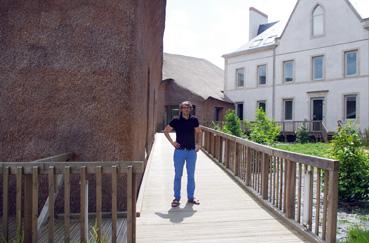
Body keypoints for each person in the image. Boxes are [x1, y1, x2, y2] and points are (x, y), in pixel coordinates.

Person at [164, 101, 202, 207]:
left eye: (188, 107)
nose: (186, 109)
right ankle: (176, 198)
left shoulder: (194, 120)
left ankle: (191, 197)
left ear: (191, 109)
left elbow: (199, 132)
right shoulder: (176, 120)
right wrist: (173, 143)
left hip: (191, 152)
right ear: (180, 109)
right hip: (179, 152)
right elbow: (166, 131)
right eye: (184, 107)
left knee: (191, 176)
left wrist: (198, 144)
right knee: (178, 175)